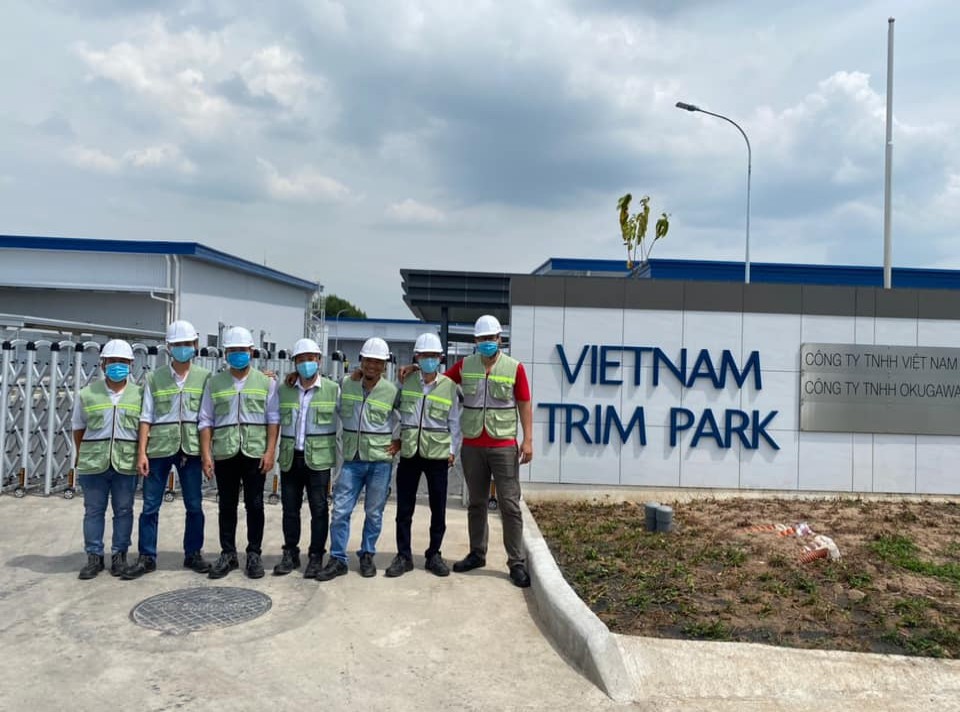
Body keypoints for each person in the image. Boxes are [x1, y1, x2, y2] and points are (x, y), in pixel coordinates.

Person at [434, 315, 534, 588]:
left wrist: (528, 440)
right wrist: (413, 370)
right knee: (476, 503)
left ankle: (516, 562)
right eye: (482, 339)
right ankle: (477, 553)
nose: (487, 342)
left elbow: (524, 403)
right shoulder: (465, 365)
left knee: (509, 504)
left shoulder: (514, 368)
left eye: (491, 338)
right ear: (475, 341)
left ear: (500, 339)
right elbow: (437, 382)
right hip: (473, 445)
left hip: (503, 445)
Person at [122, 320, 212, 580]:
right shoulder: (154, 378)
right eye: (178, 344)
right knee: (150, 505)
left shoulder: (205, 377)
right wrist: (142, 452)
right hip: (159, 448)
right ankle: (147, 556)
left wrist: (206, 454)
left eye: (187, 344)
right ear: (169, 348)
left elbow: (207, 417)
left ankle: (193, 553)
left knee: (194, 504)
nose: (183, 348)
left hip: (190, 449)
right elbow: (146, 417)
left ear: (195, 345)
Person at [198, 326, 280, 579]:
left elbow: (273, 419)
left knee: (255, 504)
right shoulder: (214, 383)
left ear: (251, 352)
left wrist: (270, 452)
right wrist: (206, 455)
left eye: (242, 350)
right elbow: (206, 420)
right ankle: (228, 553)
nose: (237, 354)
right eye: (232, 350)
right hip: (225, 452)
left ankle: (254, 553)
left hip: (254, 453)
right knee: (226, 504)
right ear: (226, 354)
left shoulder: (266, 382)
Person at [315, 337, 400, 581]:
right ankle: (338, 559)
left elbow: (409, 416)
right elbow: (322, 392)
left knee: (374, 512)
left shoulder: (392, 391)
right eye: (368, 360)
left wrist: (400, 441)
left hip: (380, 461)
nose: (372, 365)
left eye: (378, 362)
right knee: (340, 511)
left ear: (384, 365)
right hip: (352, 460)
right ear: (361, 361)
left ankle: (367, 554)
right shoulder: (345, 384)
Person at [385, 332, 461, 578]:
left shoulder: (449, 386)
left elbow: (455, 422)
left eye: (434, 356)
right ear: (417, 357)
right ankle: (403, 556)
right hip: (410, 453)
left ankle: (434, 554)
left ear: (440, 358)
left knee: (438, 508)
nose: (430, 360)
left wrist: (452, 450)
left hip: (437, 455)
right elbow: (392, 409)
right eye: (425, 355)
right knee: (404, 508)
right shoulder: (405, 381)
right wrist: (396, 437)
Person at [73, 339, 143, 580]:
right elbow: (78, 428)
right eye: (112, 361)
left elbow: (144, 429)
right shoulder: (87, 393)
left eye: (123, 361)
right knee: (93, 511)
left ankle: (119, 555)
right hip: (94, 464)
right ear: (103, 364)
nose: (117, 366)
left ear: (131, 364)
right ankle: (94, 556)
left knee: (123, 510)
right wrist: (83, 454)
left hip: (126, 462)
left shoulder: (139, 395)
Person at [273, 338, 339, 578]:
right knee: (290, 509)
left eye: (310, 359)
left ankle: (316, 555)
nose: (306, 364)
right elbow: (273, 419)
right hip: (291, 458)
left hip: (319, 460)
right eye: (301, 360)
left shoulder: (333, 389)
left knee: (319, 510)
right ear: (295, 363)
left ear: (319, 360)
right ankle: (290, 553)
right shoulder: (284, 389)